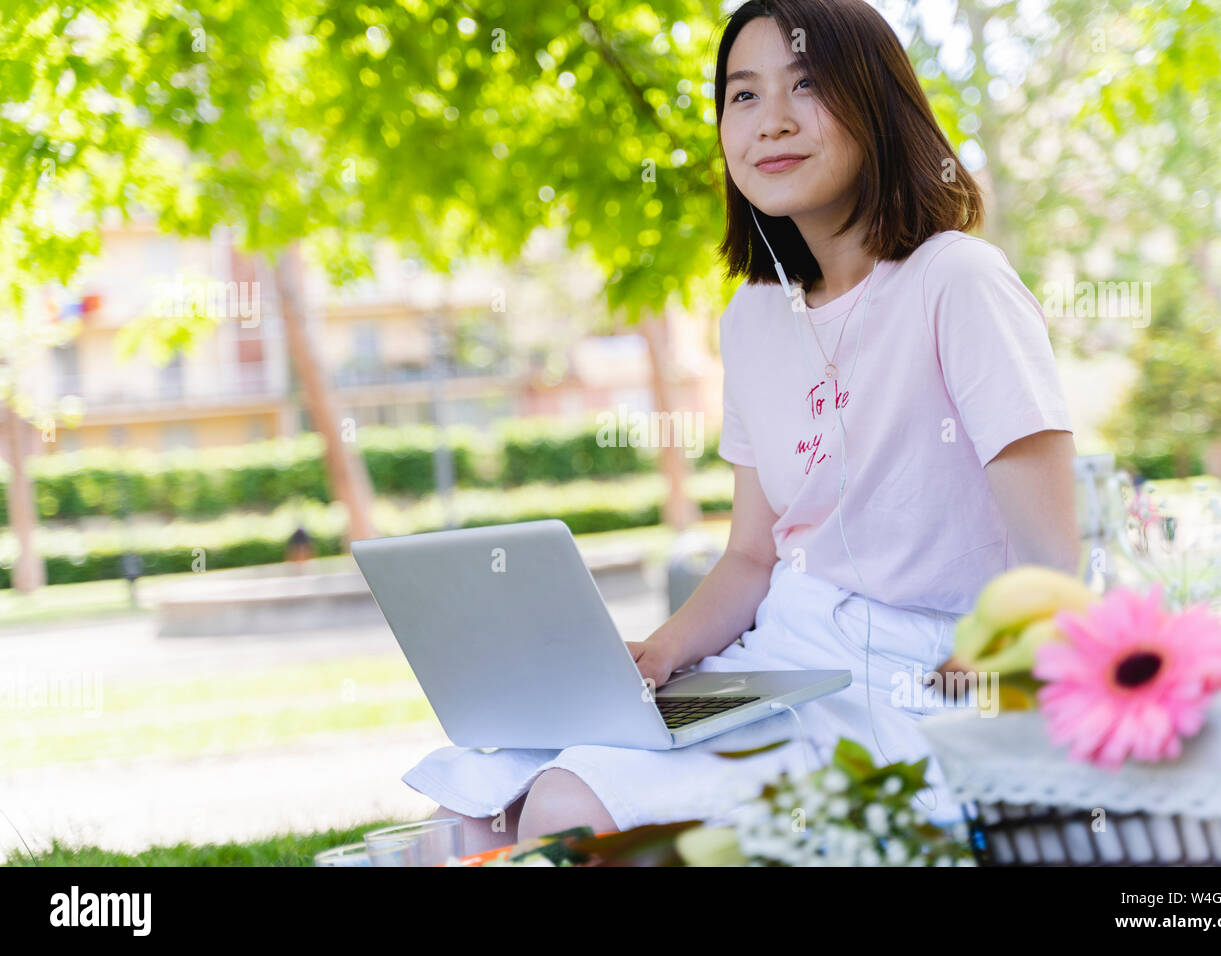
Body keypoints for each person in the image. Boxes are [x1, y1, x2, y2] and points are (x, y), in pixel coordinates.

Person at [407, 0, 1081, 855]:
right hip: (777, 663)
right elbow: (755, 556)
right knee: (467, 809)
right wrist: (655, 657)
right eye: (743, 95)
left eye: (808, 85)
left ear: (877, 103)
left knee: (564, 810)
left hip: (916, 681)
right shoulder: (755, 315)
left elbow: (1055, 566)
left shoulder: (960, 282)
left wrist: (994, 671)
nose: (773, 122)